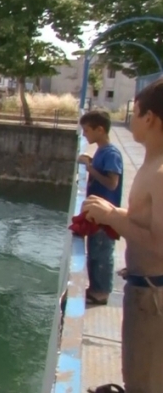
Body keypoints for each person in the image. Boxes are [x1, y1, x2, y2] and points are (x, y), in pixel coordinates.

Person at [82, 78, 163, 392]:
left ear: (150, 118)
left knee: (145, 380)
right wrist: (112, 214)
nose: (129, 121)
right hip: (143, 290)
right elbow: (148, 223)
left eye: (135, 113)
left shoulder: (159, 174)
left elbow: (160, 244)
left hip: (152, 297)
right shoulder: (151, 165)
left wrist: (114, 216)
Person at [77, 110, 124, 306]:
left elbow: (112, 183)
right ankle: (95, 288)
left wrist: (90, 169)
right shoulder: (101, 151)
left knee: (102, 253)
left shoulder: (111, 153)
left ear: (100, 129)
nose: (85, 134)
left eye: (87, 130)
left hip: (106, 215)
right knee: (94, 251)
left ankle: (102, 291)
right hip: (97, 213)